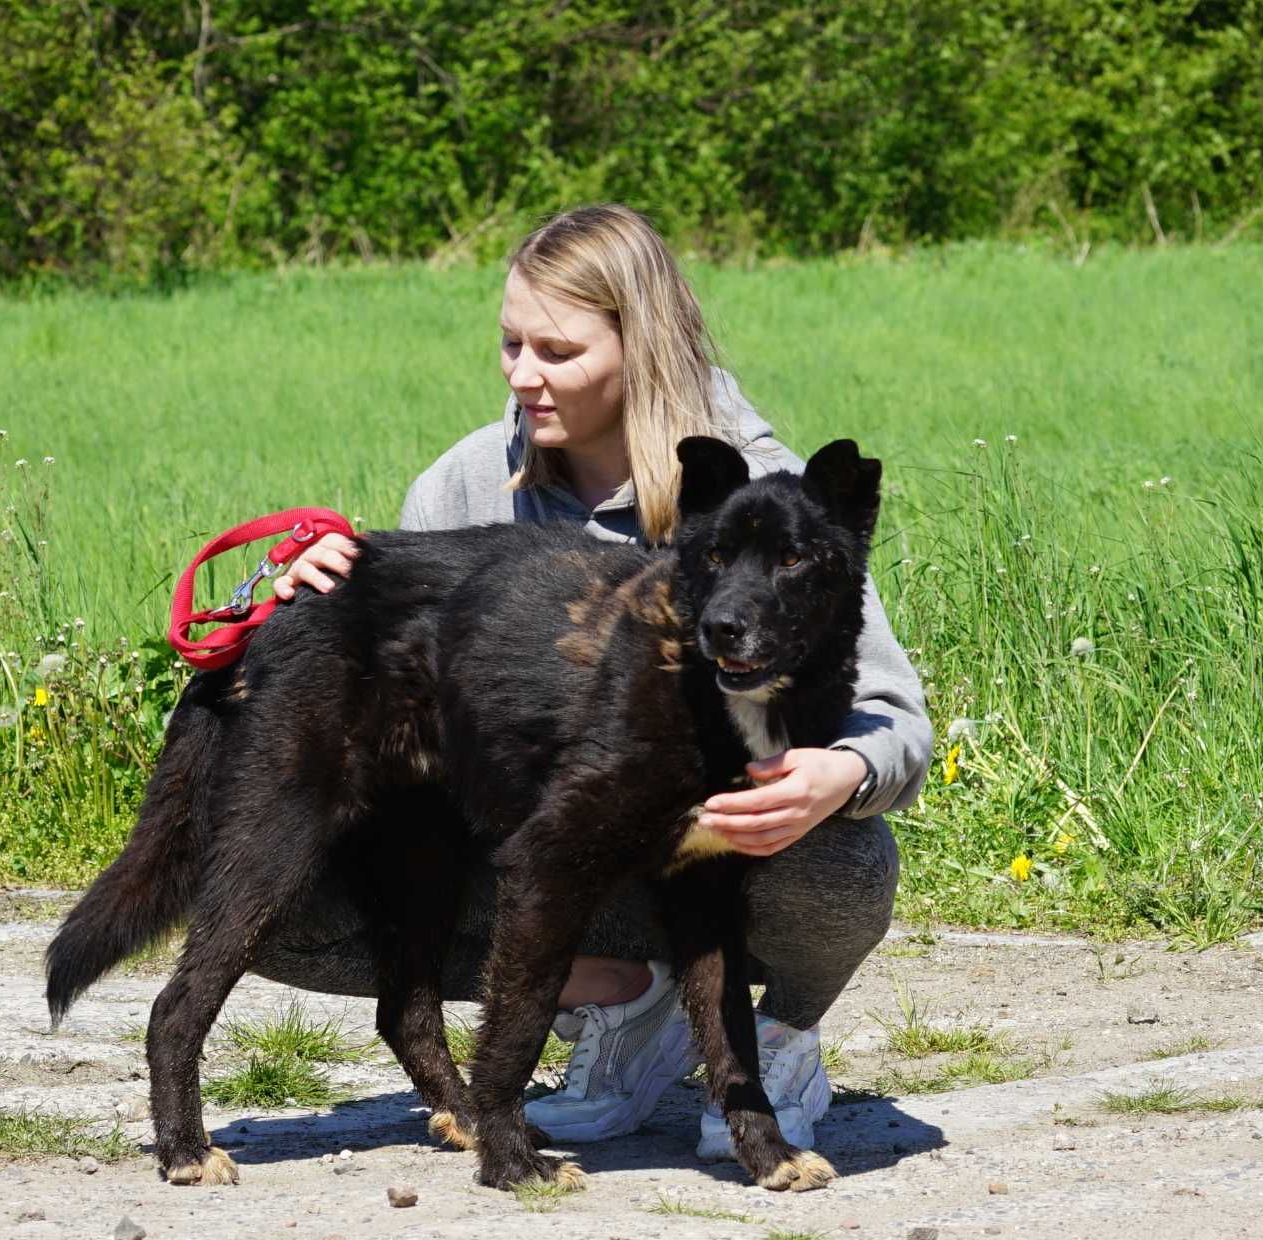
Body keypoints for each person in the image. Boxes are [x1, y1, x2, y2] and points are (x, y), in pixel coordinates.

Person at [265, 203, 932, 1160]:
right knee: (285, 887)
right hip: (549, 854)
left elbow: (896, 714)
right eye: (509, 344)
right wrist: (330, 594)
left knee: (842, 859)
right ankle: (617, 1001)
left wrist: (845, 776)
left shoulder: (765, 498)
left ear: (640, 348)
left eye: (557, 350)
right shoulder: (464, 484)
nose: (522, 376)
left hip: (718, 845)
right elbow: (410, 669)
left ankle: (773, 1045)